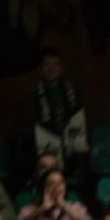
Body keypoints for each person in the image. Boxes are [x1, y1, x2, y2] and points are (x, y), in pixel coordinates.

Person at [32, 47, 88, 175]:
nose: (51, 69)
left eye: (55, 65)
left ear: (61, 68)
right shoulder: (37, 94)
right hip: (48, 137)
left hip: (70, 139)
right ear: (40, 68)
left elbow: (78, 116)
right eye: (47, 65)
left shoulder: (70, 91)